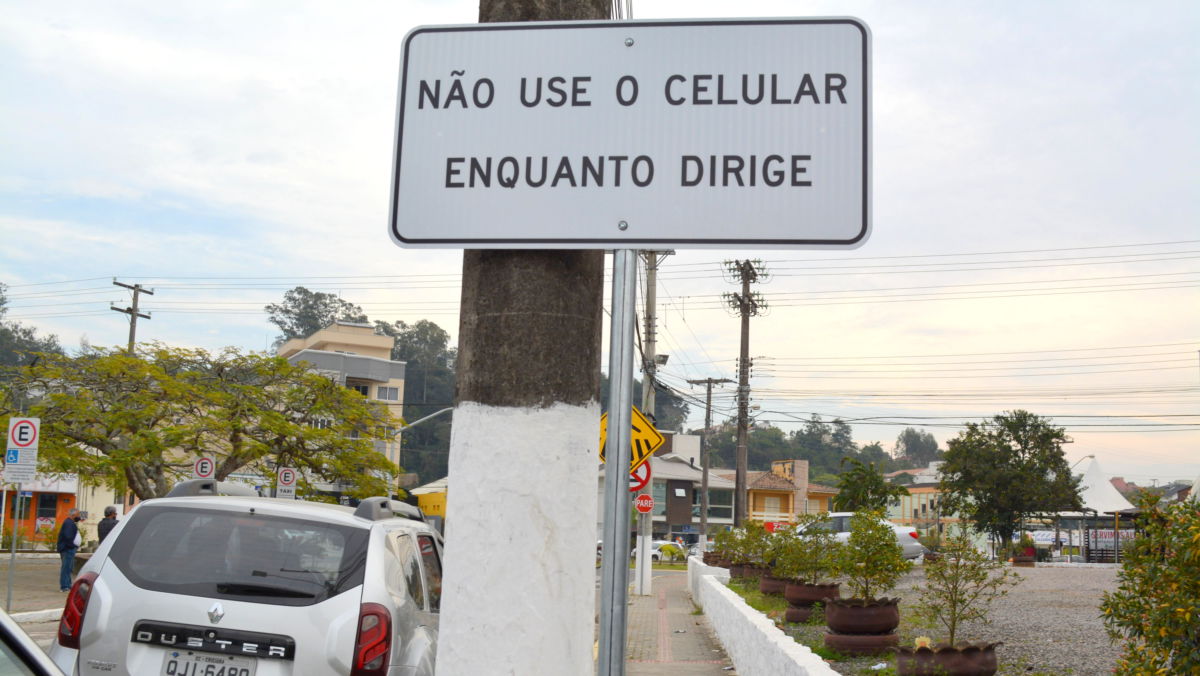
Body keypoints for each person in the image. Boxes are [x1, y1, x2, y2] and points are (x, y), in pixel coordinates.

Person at [56, 508, 83, 592]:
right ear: (73, 515)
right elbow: (68, 537)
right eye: (78, 515)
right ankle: (64, 586)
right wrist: (73, 545)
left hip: (68, 548)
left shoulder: (70, 523)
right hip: (67, 549)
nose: (79, 516)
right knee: (66, 568)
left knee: (69, 568)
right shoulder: (69, 523)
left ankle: (68, 585)